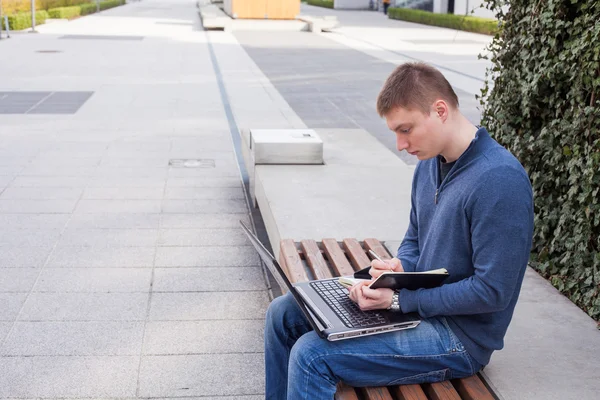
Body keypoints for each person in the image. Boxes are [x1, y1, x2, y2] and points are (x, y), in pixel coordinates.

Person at [264, 62, 534, 400]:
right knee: (283, 313)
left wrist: (399, 299)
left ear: (439, 111)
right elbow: (414, 241)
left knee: (311, 355)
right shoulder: (428, 165)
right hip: (417, 310)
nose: (400, 144)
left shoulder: (499, 181)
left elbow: (492, 292)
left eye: (405, 129)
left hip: (459, 338)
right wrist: (398, 269)